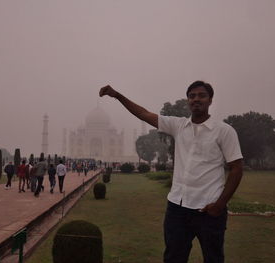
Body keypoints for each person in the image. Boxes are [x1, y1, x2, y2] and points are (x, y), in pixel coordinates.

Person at [99, 81, 243, 263]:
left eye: (201, 95)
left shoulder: (224, 131)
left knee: (213, 258)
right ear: (188, 101)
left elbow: (237, 168)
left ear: (210, 100)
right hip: (177, 208)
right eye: (192, 96)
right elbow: (143, 114)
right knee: (173, 258)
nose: (196, 99)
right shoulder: (179, 125)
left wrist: (220, 204)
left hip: (209, 209)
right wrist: (117, 95)